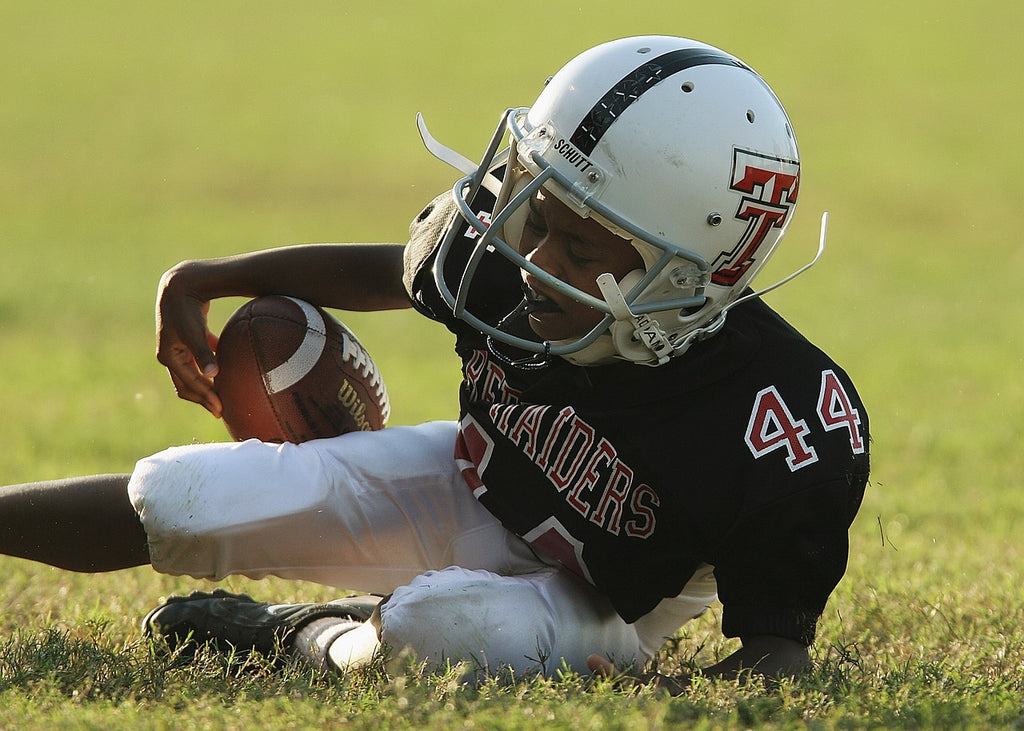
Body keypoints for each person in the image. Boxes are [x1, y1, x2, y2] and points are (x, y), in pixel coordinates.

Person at [0, 35, 869, 691]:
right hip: (476, 481)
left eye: (579, 243)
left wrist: (658, 688)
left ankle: (301, 633)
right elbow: (393, 270)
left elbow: (776, 657)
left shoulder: (776, 412)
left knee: (436, 627)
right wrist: (213, 277)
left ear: (689, 280)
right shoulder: (524, 249)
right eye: (538, 211)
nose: (534, 256)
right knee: (182, 498)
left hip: (612, 601)